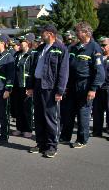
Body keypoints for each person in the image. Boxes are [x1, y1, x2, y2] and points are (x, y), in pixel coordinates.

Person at [60, 22, 105, 149]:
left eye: (78, 31)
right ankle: (65, 136)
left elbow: (99, 71)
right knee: (68, 112)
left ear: (86, 33)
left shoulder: (95, 48)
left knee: (82, 114)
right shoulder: (74, 47)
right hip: (72, 84)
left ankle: (82, 139)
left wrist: (93, 89)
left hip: (85, 85)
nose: (76, 34)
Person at [27, 24, 69, 158]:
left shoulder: (60, 49)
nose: (40, 35)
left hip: (50, 88)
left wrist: (60, 91)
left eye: (42, 33)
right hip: (39, 84)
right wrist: (30, 86)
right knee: (38, 115)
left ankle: (51, 146)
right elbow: (33, 69)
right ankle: (40, 143)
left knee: (50, 117)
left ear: (50, 34)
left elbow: (63, 71)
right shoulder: (41, 48)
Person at [11, 34, 35, 138]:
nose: (20, 43)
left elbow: (33, 72)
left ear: (28, 43)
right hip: (17, 85)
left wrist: (31, 87)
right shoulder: (17, 54)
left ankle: (28, 129)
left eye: (23, 41)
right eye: (20, 42)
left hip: (26, 85)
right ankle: (19, 128)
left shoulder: (32, 55)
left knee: (27, 108)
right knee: (18, 107)